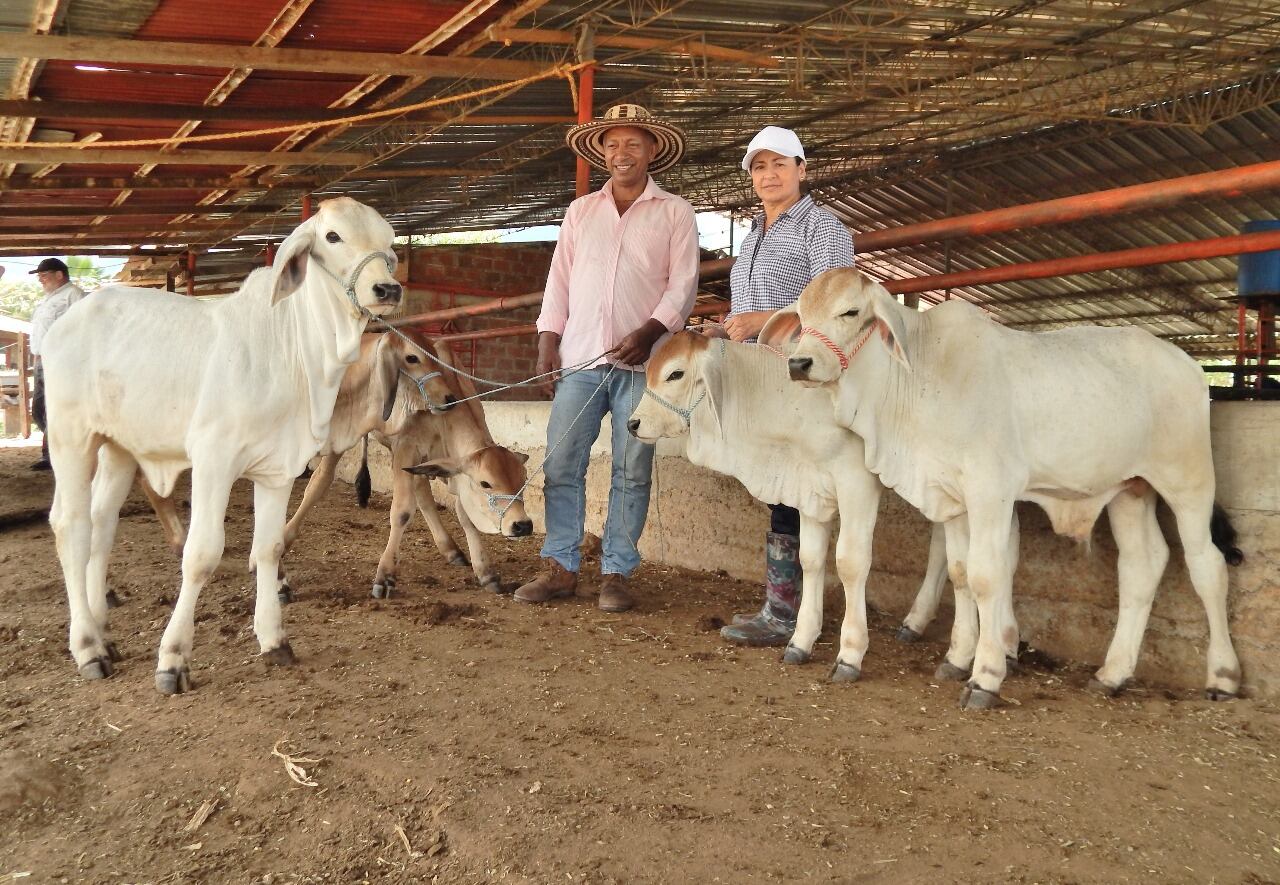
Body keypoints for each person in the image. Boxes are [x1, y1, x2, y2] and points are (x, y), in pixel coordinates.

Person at [514, 104, 699, 613]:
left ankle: (616, 571)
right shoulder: (581, 211)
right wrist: (547, 341)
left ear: (652, 150)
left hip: (644, 364)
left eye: (633, 144)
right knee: (562, 461)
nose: (622, 154)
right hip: (580, 359)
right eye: (612, 145)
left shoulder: (675, 213)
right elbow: (560, 280)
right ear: (601, 152)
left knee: (631, 468)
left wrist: (650, 331)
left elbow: (683, 286)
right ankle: (560, 566)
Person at [700, 126, 855, 646]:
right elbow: (748, 314)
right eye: (760, 167)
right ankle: (782, 604)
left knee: (794, 489)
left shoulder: (822, 227)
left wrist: (759, 318)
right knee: (779, 488)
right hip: (764, 380)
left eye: (780, 165)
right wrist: (726, 328)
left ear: (802, 170)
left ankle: (785, 612)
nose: (769, 175)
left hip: (802, 379)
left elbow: (838, 307)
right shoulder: (754, 234)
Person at [27, 258, 86, 470]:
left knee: (54, 407)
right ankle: (56, 450)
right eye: (39, 277)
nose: (40, 280)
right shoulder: (48, 299)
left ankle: (53, 455)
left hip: (61, 360)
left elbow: (82, 329)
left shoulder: (74, 295)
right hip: (41, 360)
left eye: (44, 275)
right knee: (39, 409)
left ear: (59, 275)